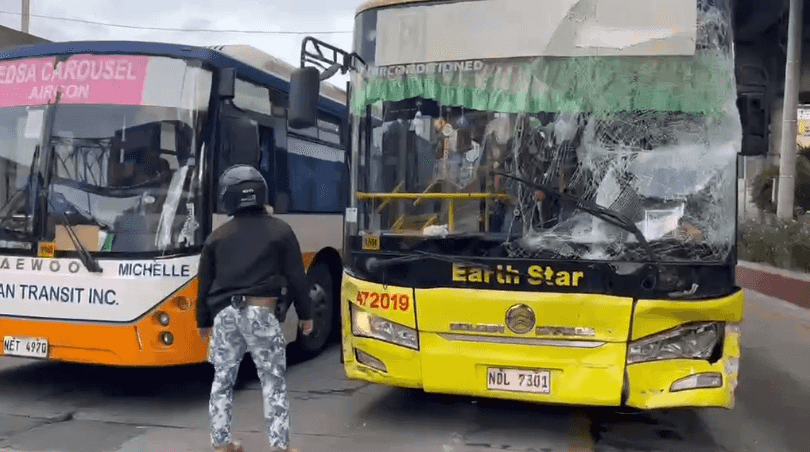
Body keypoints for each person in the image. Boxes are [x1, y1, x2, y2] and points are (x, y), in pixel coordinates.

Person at [196, 164, 314, 452]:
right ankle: (279, 447)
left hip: (225, 316)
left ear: (228, 198)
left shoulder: (217, 237)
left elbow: (204, 284)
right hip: (262, 313)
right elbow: (297, 277)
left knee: (222, 381)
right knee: (272, 381)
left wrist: (203, 321)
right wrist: (306, 315)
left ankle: (222, 443)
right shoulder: (281, 231)